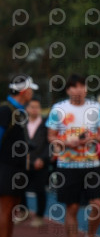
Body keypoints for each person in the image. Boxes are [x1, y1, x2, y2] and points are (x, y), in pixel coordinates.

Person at [46, 74, 100, 237]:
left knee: (98, 205)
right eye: (74, 86)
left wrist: (92, 138)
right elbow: (51, 136)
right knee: (72, 207)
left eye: (82, 86)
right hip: (68, 165)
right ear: (68, 90)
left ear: (86, 89)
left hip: (92, 164)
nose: (79, 89)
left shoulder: (95, 107)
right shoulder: (59, 109)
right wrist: (67, 142)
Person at [0, 76, 37, 237]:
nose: (32, 93)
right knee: (5, 210)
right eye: (31, 89)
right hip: (5, 167)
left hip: (17, 168)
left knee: (12, 209)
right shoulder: (6, 110)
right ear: (24, 91)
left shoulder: (19, 111)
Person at [24, 96, 50, 228]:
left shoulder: (46, 124)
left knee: (40, 190)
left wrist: (43, 159)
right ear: (27, 108)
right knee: (19, 188)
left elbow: (50, 144)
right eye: (32, 107)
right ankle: (24, 211)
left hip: (41, 162)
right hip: (24, 162)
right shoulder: (21, 124)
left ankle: (39, 216)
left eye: (37, 107)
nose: (35, 109)